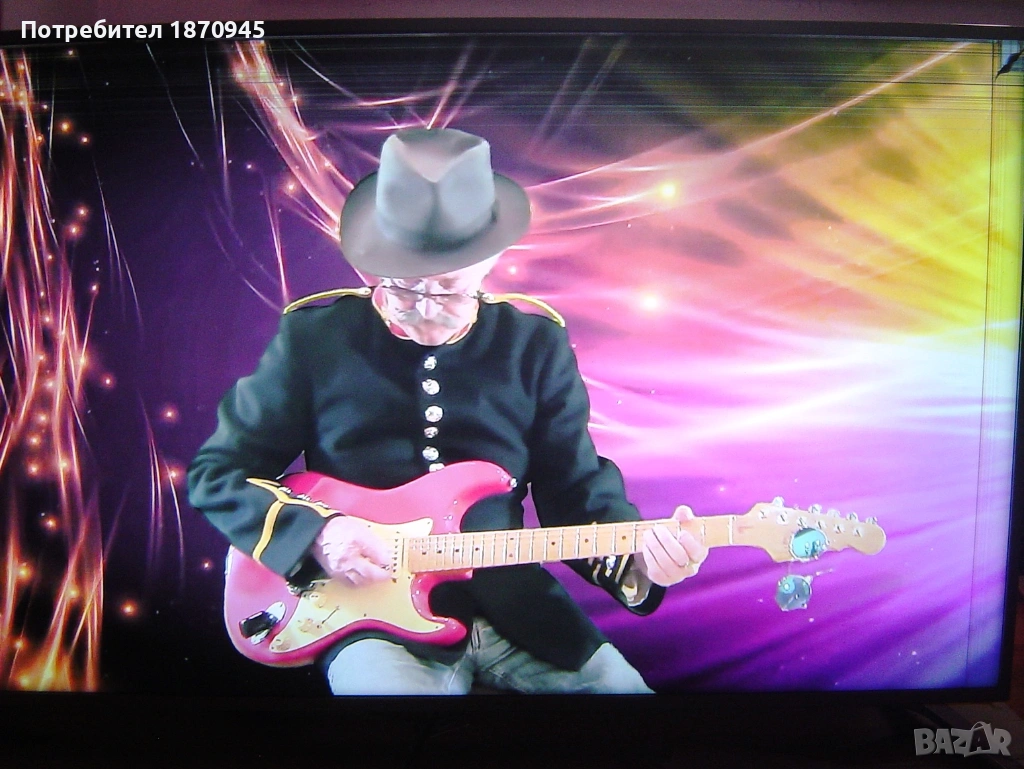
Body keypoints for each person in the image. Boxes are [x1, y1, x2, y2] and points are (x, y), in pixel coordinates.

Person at [187, 127, 708, 695]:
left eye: (449, 290)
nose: (425, 311)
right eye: (404, 290)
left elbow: (575, 489)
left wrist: (640, 563)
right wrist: (318, 534)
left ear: (490, 262)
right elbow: (218, 473)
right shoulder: (315, 337)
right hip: (368, 617)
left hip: (521, 612)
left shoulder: (535, 343)